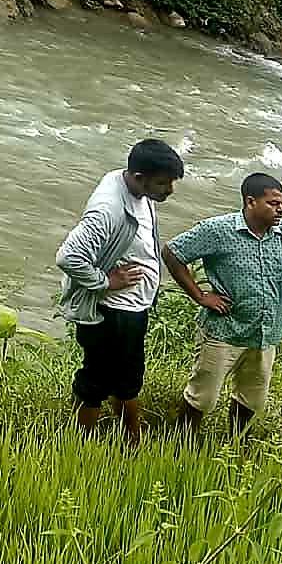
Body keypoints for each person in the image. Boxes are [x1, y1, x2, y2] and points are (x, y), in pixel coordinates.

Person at [163, 172, 282, 436]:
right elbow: (172, 252)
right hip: (224, 331)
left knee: (252, 399)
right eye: (273, 203)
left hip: (265, 334)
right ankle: (180, 447)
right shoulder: (217, 230)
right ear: (250, 201)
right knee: (203, 397)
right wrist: (200, 295)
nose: (280, 209)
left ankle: (234, 447)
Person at [53, 138, 186, 445]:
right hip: (112, 313)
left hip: (131, 308)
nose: (170, 190)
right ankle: (99, 446)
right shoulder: (108, 210)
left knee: (121, 379)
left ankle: (122, 440)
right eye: (164, 183)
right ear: (139, 177)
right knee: (101, 382)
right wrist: (105, 282)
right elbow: (68, 256)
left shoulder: (134, 187)